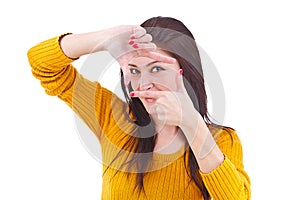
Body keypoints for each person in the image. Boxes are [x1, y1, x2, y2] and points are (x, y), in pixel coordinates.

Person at [27, 16, 251, 200]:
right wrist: (105, 39)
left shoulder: (221, 140)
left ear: (186, 70)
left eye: (156, 69)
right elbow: (41, 64)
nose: (144, 84)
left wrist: (191, 123)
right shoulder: (113, 117)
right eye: (134, 71)